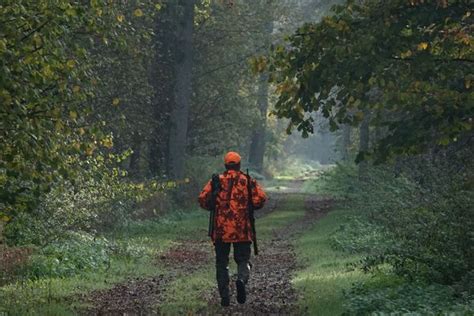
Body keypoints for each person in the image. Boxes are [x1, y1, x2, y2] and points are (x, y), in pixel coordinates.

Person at [198, 151, 267, 307]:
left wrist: (212, 206)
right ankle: (241, 280)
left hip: (221, 231)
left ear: (225, 165)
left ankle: (224, 296)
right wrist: (250, 206)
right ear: (239, 165)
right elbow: (261, 198)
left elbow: (202, 198)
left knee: (221, 263)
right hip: (242, 230)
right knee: (243, 260)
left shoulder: (216, 181)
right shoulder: (247, 180)